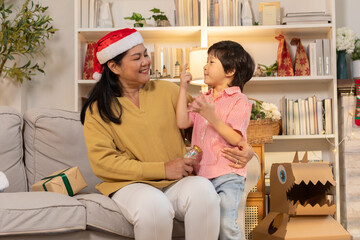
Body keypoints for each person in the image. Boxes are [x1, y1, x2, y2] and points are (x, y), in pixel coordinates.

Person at [80, 28, 254, 240]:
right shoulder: (98, 109)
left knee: (203, 190)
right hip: (130, 185)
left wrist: (245, 148)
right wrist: (162, 168)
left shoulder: (168, 91)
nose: (146, 61)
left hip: (176, 182)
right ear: (114, 66)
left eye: (146, 54)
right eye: (137, 58)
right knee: (154, 206)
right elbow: (103, 163)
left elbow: (206, 126)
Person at [176, 40, 255, 240]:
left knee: (226, 225)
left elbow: (236, 138)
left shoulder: (240, 101)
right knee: (207, 226)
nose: (205, 66)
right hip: (202, 175)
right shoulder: (204, 98)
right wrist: (183, 89)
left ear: (230, 71)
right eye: (207, 61)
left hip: (227, 174)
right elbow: (182, 122)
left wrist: (211, 117)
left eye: (211, 62)